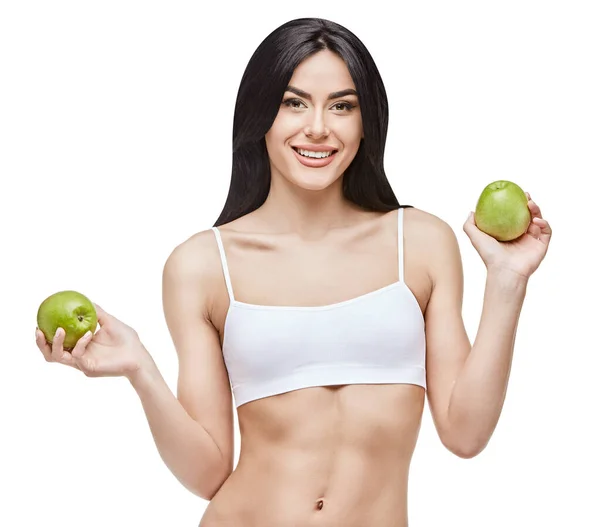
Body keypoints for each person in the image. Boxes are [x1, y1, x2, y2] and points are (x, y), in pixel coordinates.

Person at [34, 17, 552, 527]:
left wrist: (508, 281)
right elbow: (209, 473)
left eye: (343, 106)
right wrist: (140, 370)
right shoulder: (200, 266)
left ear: (367, 119)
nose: (319, 128)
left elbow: (465, 433)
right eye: (293, 103)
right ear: (260, 114)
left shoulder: (418, 243)